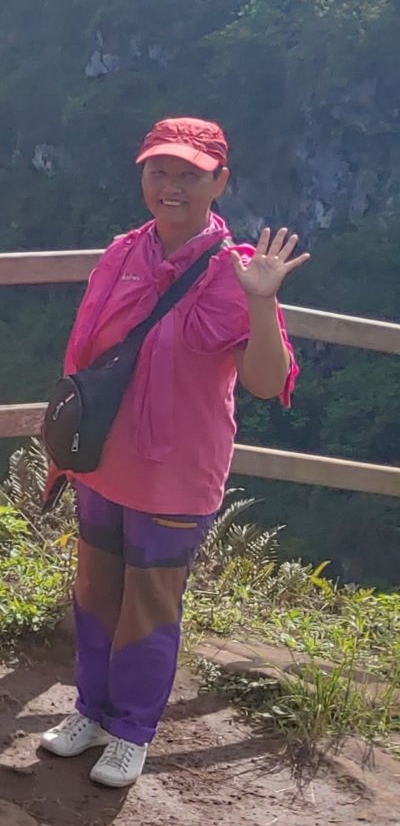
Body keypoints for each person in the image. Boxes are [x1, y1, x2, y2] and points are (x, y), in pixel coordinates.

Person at [44, 117, 302, 789]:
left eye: (190, 173)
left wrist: (264, 304)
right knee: (95, 592)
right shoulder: (123, 253)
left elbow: (267, 383)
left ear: (220, 181)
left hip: (177, 475)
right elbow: (87, 355)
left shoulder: (234, 274)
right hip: (103, 458)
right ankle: (90, 711)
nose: (171, 185)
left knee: (150, 603)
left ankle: (131, 730)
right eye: (159, 170)